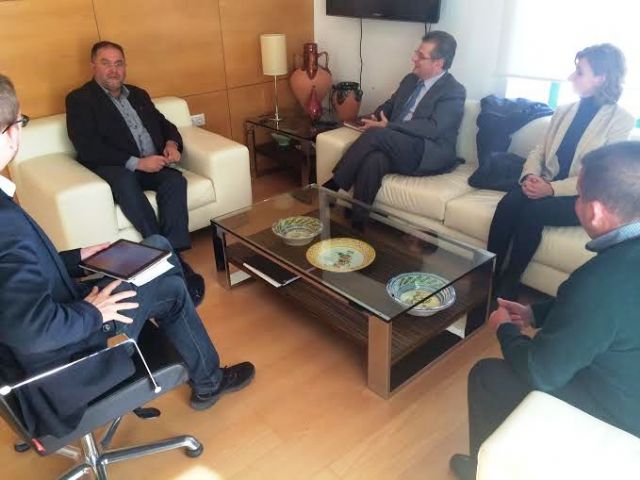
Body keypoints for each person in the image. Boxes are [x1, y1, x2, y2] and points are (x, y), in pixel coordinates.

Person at [0, 75, 255, 438]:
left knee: (157, 245)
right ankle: (209, 381)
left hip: (59, 322)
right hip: (69, 362)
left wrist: (76, 257)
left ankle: (179, 308)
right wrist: (93, 312)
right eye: (20, 122)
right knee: (172, 291)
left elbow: (21, 276)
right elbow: (33, 333)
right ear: (10, 133)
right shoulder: (4, 222)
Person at [450, 141, 640, 480]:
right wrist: (534, 314)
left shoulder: (600, 279)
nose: (576, 203)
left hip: (622, 415)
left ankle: (484, 469)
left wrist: (505, 329)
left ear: (595, 212)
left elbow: (540, 371)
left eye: (579, 196)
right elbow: (607, 312)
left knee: (487, 376)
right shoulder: (619, 267)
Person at [487, 43, 635, 300]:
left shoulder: (620, 119)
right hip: (544, 182)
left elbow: (600, 174)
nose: (571, 77)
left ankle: (510, 282)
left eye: (580, 72)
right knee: (509, 203)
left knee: (533, 212)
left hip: (582, 193)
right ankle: (489, 272)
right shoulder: (564, 110)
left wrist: (552, 189)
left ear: (601, 78)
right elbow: (539, 150)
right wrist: (530, 176)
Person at [65, 41, 205, 306]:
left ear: (125, 66)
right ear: (93, 66)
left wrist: (172, 144)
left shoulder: (138, 94)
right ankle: (165, 256)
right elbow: (87, 146)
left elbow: (165, 124)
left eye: (119, 63)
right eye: (106, 63)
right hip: (115, 167)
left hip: (153, 164)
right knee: (126, 181)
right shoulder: (80, 99)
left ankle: (173, 251)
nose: (113, 70)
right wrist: (137, 163)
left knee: (175, 181)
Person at [322, 31, 466, 223]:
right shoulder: (410, 80)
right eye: (416, 52)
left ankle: (333, 184)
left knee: (377, 134)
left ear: (438, 63)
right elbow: (390, 105)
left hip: (427, 152)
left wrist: (388, 126)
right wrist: (373, 118)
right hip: (399, 146)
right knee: (374, 160)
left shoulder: (454, 90)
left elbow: (433, 128)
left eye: (421, 56)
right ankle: (357, 223)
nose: (414, 58)